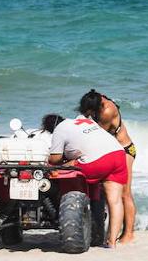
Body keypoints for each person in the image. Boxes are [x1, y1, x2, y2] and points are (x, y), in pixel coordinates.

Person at [46, 91, 130, 248]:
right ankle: (111, 242)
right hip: (118, 154)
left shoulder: (60, 128)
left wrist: (65, 161)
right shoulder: (89, 122)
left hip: (97, 161)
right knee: (115, 201)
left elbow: (55, 159)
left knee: (68, 168)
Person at [91, 89, 138, 244]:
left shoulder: (107, 111)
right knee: (110, 194)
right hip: (114, 152)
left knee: (125, 193)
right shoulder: (101, 100)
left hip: (125, 150)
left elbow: (98, 134)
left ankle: (129, 233)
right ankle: (112, 231)